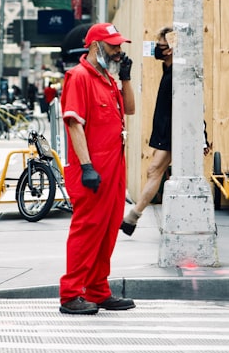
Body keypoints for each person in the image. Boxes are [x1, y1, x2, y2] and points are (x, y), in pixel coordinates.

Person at [58, 22, 136, 315]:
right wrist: (88, 167)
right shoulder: (79, 77)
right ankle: (70, 294)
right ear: (95, 46)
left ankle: (98, 290)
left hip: (114, 168)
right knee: (87, 231)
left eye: (120, 46)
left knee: (107, 231)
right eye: (114, 45)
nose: (119, 51)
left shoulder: (106, 78)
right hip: (93, 169)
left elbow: (129, 109)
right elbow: (75, 124)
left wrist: (125, 79)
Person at [120, 27, 173, 236]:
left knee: (154, 170)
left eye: (159, 44)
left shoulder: (176, 74)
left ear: (169, 50)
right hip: (164, 130)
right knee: (157, 171)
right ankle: (134, 217)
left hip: (170, 131)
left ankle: (132, 217)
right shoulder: (168, 70)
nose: (156, 48)